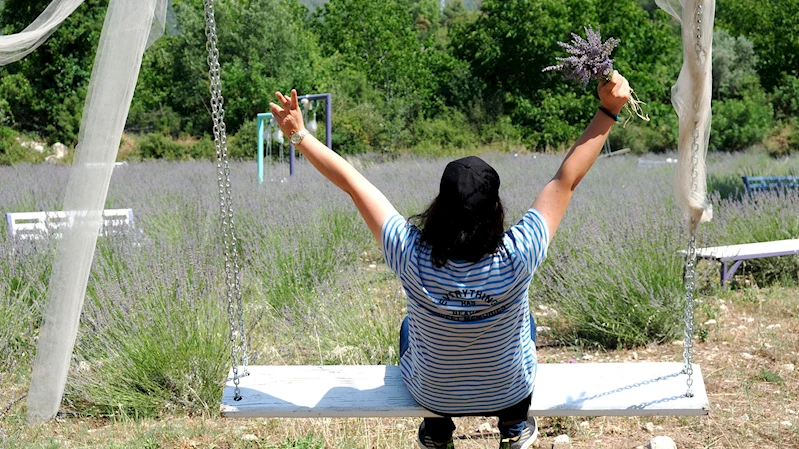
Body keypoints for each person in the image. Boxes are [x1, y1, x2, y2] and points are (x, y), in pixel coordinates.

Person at [270, 71, 631, 449]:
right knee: (528, 321)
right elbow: (565, 181)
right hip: (508, 391)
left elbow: (353, 183)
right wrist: (608, 109)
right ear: (495, 209)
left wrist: (300, 135)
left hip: (433, 395)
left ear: (439, 205)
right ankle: (513, 425)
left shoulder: (409, 252)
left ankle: (438, 431)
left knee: (411, 326)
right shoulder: (519, 253)